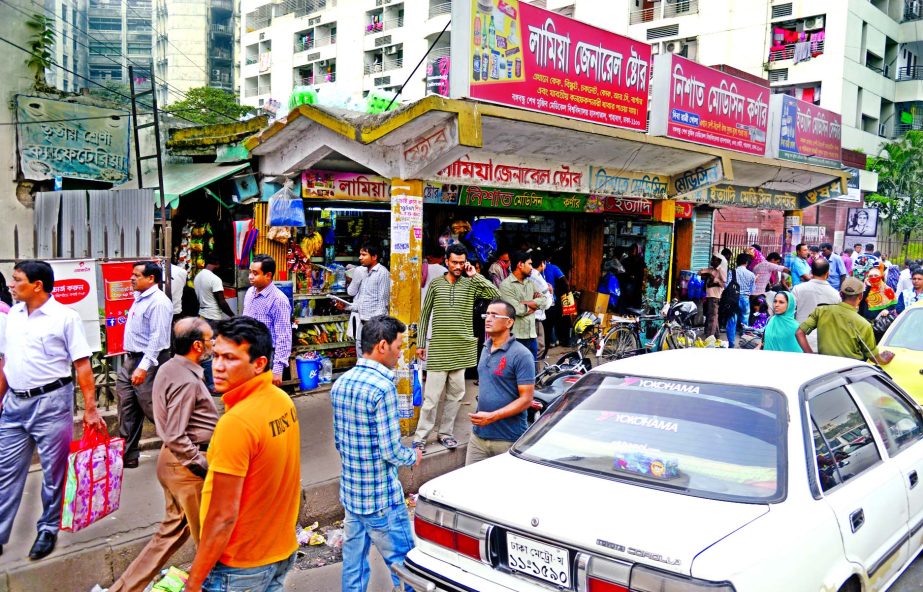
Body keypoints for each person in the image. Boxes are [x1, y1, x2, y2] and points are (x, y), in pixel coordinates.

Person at [183, 317, 301, 592]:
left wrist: (194, 582)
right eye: (216, 356)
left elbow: (222, 516)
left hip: (241, 567)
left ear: (259, 363)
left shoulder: (236, 424)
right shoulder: (280, 400)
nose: (218, 367)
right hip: (280, 552)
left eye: (230, 358)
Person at [0, 260, 106, 560]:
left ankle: (48, 528)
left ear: (37, 285)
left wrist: (90, 409)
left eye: (16, 279)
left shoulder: (65, 317)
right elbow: (7, 363)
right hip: (14, 404)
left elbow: (82, 365)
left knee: (53, 472)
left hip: (51, 403)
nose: (11, 283)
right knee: (5, 470)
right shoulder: (14, 316)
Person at [108, 318, 218, 592]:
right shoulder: (186, 381)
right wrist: (202, 464)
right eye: (210, 340)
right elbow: (175, 434)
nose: (213, 345)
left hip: (173, 464)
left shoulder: (171, 368)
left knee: (169, 535)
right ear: (197, 345)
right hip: (186, 467)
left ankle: (122, 589)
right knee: (212, 541)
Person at [331, 316, 421, 592]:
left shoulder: (342, 383)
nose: (400, 352)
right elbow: (391, 450)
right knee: (405, 566)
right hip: (381, 498)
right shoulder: (383, 388)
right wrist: (412, 456)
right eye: (398, 345)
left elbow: (339, 441)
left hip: (352, 494)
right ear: (383, 345)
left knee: (353, 565)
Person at [415, 244, 498, 452]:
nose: (458, 266)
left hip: (462, 348)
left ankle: (445, 433)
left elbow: (495, 293)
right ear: (446, 261)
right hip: (439, 348)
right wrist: (420, 343)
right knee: (431, 398)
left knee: (456, 396)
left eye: (462, 262)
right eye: (455, 262)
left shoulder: (471, 284)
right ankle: (420, 437)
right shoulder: (435, 284)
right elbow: (425, 314)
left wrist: (475, 275)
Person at [466, 300, 535, 465]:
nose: (488, 319)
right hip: (478, 437)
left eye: (494, 315)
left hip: (508, 440)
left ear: (509, 322)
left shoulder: (521, 354)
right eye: (487, 314)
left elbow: (526, 399)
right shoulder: (484, 347)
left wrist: (492, 417)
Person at [119, 261, 174, 469]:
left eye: (136, 275)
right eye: (132, 275)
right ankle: (128, 455)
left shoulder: (159, 302)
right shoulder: (139, 298)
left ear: (151, 278)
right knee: (127, 408)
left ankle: (182, 449)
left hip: (150, 360)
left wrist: (143, 366)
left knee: (155, 408)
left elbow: (158, 338)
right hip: (132, 359)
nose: (132, 278)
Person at [796, 277, 895, 365]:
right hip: (849, 371)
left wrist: (811, 355)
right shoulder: (864, 325)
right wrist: (885, 358)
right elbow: (875, 358)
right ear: (860, 296)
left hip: (824, 367)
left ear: (840, 294)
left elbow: (799, 333)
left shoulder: (821, 310)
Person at [242, 254, 292, 386]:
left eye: (255, 273)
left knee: (264, 398)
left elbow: (284, 336)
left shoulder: (278, 300)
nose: (250, 277)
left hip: (267, 356)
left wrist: (277, 370)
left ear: (268, 275)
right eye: (250, 272)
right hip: (248, 353)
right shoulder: (249, 293)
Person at [194, 254, 235, 394]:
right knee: (212, 351)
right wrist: (232, 315)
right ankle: (212, 386)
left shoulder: (198, 277)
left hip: (202, 315)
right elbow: (221, 302)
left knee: (205, 351)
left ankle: (206, 383)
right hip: (213, 317)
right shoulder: (215, 279)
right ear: (216, 264)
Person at [499, 251, 549, 360]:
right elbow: (516, 309)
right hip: (516, 338)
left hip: (531, 336)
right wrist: (534, 304)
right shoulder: (506, 285)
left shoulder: (530, 283)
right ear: (520, 265)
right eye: (529, 264)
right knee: (518, 373)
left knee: (533, 372)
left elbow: (544, 300)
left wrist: (526, 303)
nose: (532, 267)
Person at [343, 244, 391, 356]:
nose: (360, 257)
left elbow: (383, 303)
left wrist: (375, 327)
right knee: (360, 353)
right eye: (360, 254)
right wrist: (345, 306)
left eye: (364, 255)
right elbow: (362, 301)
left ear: (374, 257)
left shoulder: (382, 273)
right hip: (362, 321)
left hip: (374, 324)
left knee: (373, 355)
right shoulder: (363, 272)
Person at [792, 258, 841, 351]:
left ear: (811, 271)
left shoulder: (798, 289)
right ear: (828, 273)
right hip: (824, 341)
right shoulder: (835, 295)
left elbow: (790, 312)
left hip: (799, 339)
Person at [725, 253, 755, 347]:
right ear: (747, 262)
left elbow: (727, 285)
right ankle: (745, 343)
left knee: (732, 321)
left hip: (733, 299)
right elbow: (752, 290)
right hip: (745, 299)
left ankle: (731, 344)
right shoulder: (751, 274)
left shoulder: (732, 272)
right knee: (745, 322)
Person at [529, 249, 553, 363]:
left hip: (528, 316)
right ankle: (534, 374)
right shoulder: (537, 277)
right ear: (542, 263)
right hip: (536, 317)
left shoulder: (528, 275)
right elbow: (547, 304)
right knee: (539, 347)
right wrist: (550, 293)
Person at [541, 254, 566, 347]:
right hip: (552, 298)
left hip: (542, 299)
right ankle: (553, 340)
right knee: (551, 320)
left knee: (546, 321)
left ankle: (551, 340)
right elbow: (564, 280)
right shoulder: (553, 268)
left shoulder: (535, 271)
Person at [698, 255, 725, 339]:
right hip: (709, 295)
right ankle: (716, 335)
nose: (711, 261)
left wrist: (715, 280)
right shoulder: (711, 269)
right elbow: (699, 273)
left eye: (714, 260)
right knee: (713, 315)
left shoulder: (721, 271)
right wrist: (707, 274)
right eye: (712, 260)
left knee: (712, 317)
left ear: (719, 262)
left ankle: (709, 336)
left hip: (715, 296)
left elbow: (724, 284)